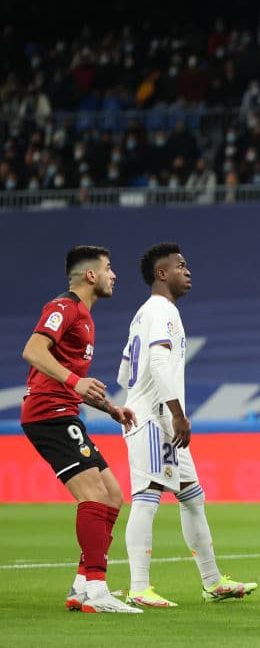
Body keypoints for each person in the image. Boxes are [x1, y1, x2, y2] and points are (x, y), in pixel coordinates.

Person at [117, 243, 258, 607]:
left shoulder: (143, 314)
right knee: (147, 496)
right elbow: (158, 363)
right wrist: (176, 413)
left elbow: (123, 372)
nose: (188, 270)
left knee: (193, 497)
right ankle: (139, 586)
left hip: (156, 415)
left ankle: (212, 581)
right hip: (154, 418)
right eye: (180, 265)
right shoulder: (162, 310)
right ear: (161, 273)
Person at [20, 245, 142, 614]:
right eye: (108, 268)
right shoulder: (64, 307)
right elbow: (33, 350)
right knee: (93, 494)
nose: (113, 275)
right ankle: (98, 591)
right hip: (49, 412)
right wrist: (75, 381)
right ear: (91, 275)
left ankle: (81, 586)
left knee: (113, 495)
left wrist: (110, 408)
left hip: (64, 410)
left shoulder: (85, 318)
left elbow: (74, 383)